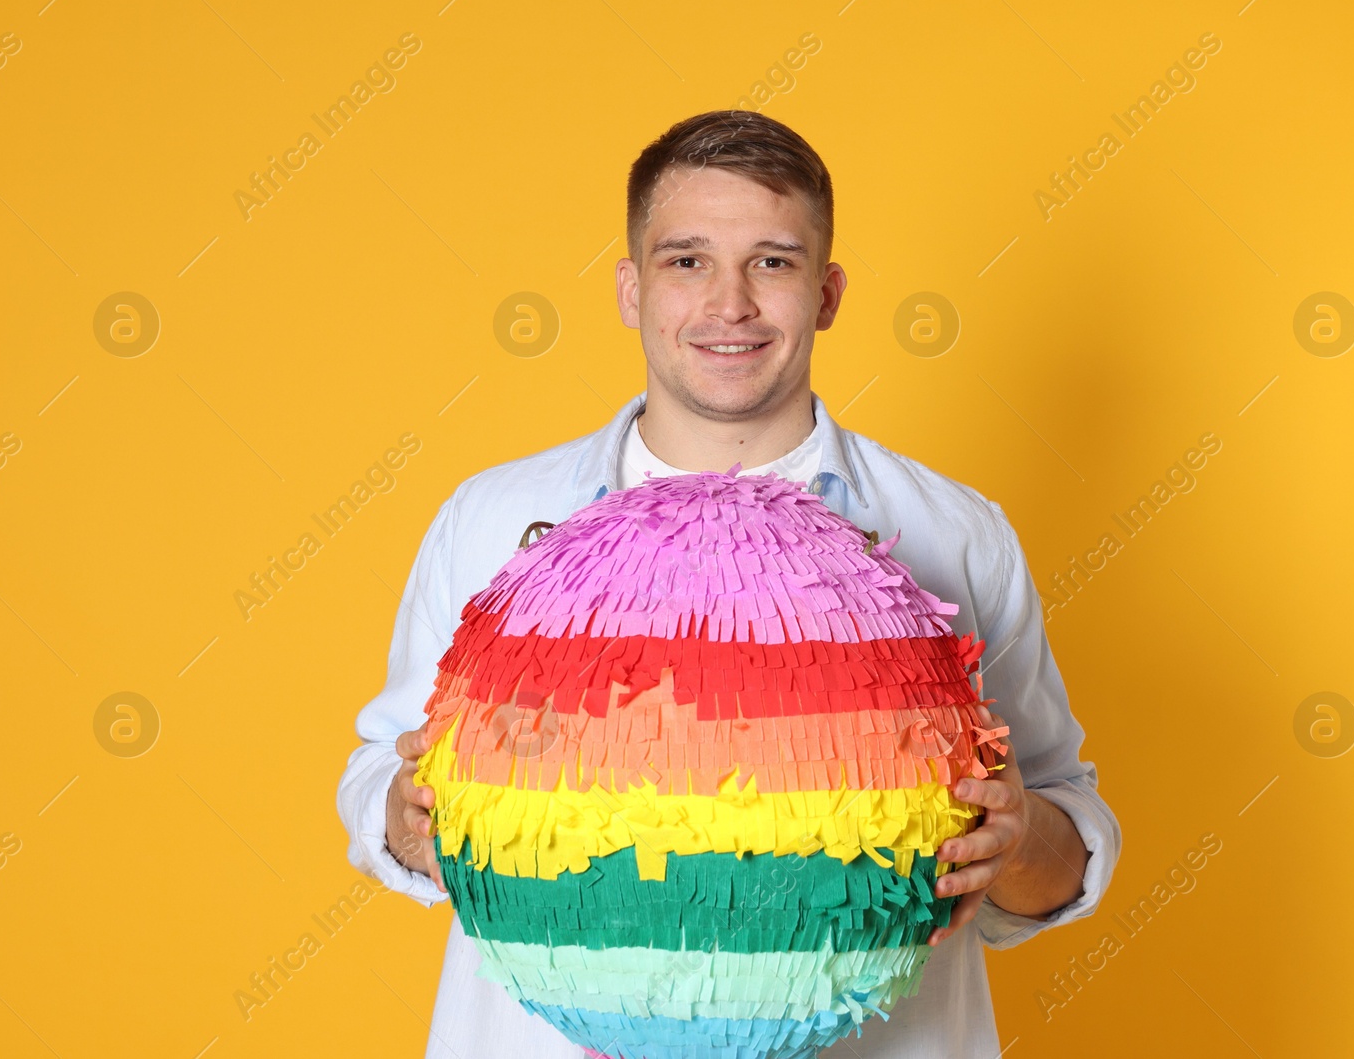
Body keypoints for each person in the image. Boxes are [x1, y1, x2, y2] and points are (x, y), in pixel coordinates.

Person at [336, 109, 1120, 1058]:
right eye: (686, 260)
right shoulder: (491, 518)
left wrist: (1023, 836)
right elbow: (378, 769)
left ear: (827, 294)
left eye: (774, 262)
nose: (730, 304)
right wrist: (402, 815)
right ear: (630, 289)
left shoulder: (958, 532)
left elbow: (1063, 828)